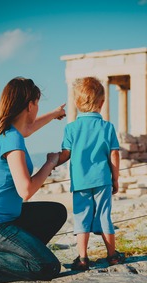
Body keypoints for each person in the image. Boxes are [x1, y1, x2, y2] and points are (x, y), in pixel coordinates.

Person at [0, 76, 68, 283]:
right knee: (48, 267)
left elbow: (27, 129)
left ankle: (18, 253)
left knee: (56, 212)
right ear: (30, 105)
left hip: (2, 219)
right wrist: (50, 163)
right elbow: (26, 191)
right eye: (37, 103)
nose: (37, 108)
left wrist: (54, 114)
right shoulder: (11, 138)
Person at [56, 77, 125, 271]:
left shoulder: (70, 128)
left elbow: (65, 155)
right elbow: (114, 154)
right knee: (105, 216)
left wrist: (53, 161)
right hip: (103, 180)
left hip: (80, 182)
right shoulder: (108, 127)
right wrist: (115, 179)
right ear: (102, 103)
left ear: (77, 104)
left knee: (81, 218)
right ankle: (112, 256)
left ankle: (83, 258)